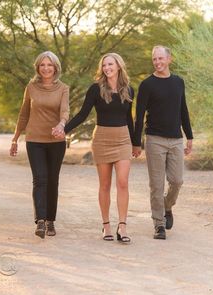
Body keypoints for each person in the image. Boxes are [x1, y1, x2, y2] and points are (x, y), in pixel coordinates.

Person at [63, 53, 135, 243]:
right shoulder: (95, 89)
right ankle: (106, 226)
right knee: (104, 185)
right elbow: (83, 113)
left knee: (123, 182)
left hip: (123, 139)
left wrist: (136, 142)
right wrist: (64, 129)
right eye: (104, 65)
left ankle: (123, 226)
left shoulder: (128, 89)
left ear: (118, 66)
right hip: (102, 139)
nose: (107, 68)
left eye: (110, 64)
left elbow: (129, 118)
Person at [133, 45, 193, 240]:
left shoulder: (178, 82)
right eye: (154, 59)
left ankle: (167, 206)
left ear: (169, 59)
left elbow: (182, 110)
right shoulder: (147, 85)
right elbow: (139, 116)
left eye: (161, 58)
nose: (158, 62)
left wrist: (189, 136)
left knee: (177, 181)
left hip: (176, 139)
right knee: (157, 185)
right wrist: (136, 142)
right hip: (154, 140)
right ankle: (159, 224)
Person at [9, 51, 69, 239]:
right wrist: (15, 138)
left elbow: (65, 111)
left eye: (49, 65)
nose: (46, 68)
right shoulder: (31, 87)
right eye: (42, 65)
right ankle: (40, 221)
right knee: (39, 179)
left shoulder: (63, 88)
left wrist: (61, 125)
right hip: (34, 139)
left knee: (52, 180)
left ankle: (51, 219)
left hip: (56, 141)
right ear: (38, 67)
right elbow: (24, 114)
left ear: (55, 67)